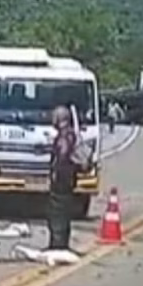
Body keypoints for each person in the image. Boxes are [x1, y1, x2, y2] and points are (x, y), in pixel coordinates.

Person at [48, 105, 78, 251]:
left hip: (62, 180)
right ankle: (61, 243)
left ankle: (58, 244)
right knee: (63, 212)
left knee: (58, 212)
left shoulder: (64, 136)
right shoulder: (71, 134)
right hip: (68, 179)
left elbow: (63, 154)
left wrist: (55, 171)